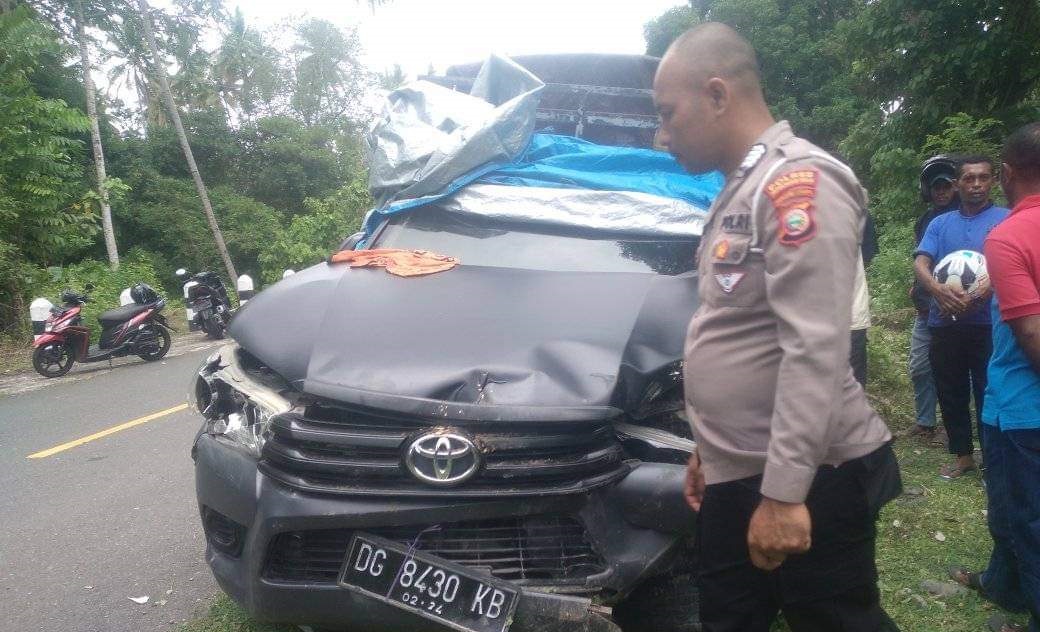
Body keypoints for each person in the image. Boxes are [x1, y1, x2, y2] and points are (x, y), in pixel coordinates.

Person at [654, 23, 901, 632]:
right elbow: (742, 331)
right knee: (727, 618)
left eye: (668, 114)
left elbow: (815, 346)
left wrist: (786, 494)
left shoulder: (800, 184)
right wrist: (709, 451)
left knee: (837, 621)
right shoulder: (743, 186)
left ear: (717, 95)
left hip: (810, 474)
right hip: (740, 468)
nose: (662, 137)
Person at [954, 122, 1040, 632]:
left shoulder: (1006, 234)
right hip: (1005, 397)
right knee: (1007, 506)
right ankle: (1002, 584)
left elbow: (1031, 337)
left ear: (1006, 174)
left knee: (1025, 517)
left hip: (1022, 408)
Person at [914, 156, 1009, 478]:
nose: (976, 185)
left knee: (989, 389)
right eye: (969, 179)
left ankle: (991, 460)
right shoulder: (940, 224)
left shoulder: (1006, 219)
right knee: (950, 388)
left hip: (990, 324)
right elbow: (921, 262)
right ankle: (962, 457)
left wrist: (986, 291)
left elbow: (1014, 264)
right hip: (945, 321)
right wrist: (936, 290)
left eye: (983, 178)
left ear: (993, 180)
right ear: (958, 185)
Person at [907, 156, 959, 439]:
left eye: (946, 186)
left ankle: (954, 426)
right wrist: (915, 286)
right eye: (936, 187)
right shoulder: (925, 220)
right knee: (919, 366)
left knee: (950, 369)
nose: (941, 192)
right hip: (926, 307)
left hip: (955, 306)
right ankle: (926, 421)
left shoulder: (963, 216)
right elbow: (922, 259)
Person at [850, 214, 878, 386]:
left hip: (852, 315)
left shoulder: (860, 215)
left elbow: (867, 256)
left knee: (854, 382)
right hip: (811, 319)